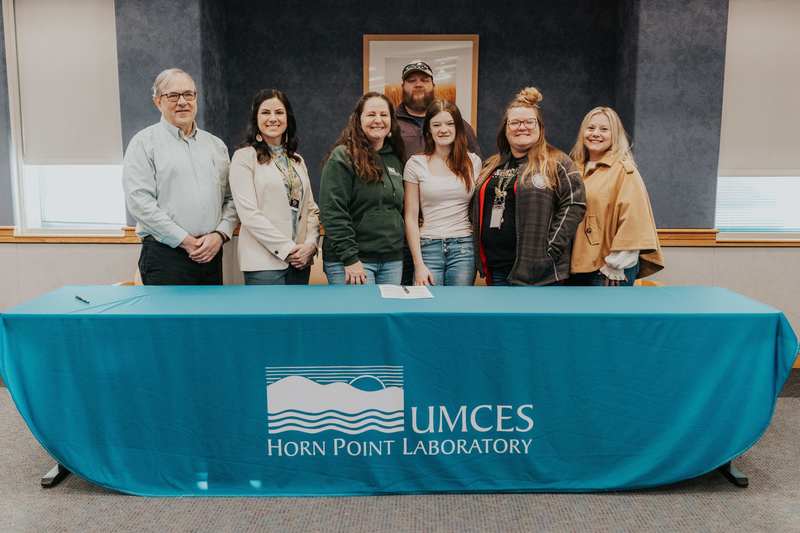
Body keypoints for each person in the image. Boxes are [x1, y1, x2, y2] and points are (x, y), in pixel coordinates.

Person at [123, 68, 237, 285]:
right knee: (169, 321)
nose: (182, 101)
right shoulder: (143, 144)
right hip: (165, 256)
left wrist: (220, 235)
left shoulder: (215, 145)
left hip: (211, 254)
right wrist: (184, 241)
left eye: (188, 94)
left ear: (196, 98)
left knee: (208, 319)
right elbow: (140, 203)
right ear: (158, 101)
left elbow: (231, 199)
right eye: (173, 96)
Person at [472, 87, 586, 286]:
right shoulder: (492, 164)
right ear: (505, 129)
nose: (521, 127)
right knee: (501, 319)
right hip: (497, 268)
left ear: (540, 128)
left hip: (539, 272)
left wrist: (550, 249)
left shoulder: (557, 161)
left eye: (528, 122)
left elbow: (575, 204)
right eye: (514, 122)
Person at [396, 60, 482, 286]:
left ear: (458, 128)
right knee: (425, 310)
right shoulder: (415, 163)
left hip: (463, 247)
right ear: (429, 131)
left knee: (458, 312)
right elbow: (411, 216)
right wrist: (418, 264)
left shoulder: (473, 162)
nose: (443, 130)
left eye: (449, 124)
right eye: (436, 125)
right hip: (427, 246)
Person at [228, 89, 320, 285]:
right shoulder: (244, 158)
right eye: (265, 112)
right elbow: (249, 214)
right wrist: (287, 249)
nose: (273, 118)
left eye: (279, 112)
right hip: (264, 263)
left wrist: (310, 245)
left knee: (298, 316)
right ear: (256, 119)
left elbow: (311, 209)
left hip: (300, 261)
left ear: (288, 118)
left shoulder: (297, 160)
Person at [568, 107, 664, 285]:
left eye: (604, 129)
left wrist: (616, 264)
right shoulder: (573, 169)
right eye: (591, 128)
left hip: (608, 269)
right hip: (577, 266)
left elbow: (634, 221)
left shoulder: (624, 171)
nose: (595, 133)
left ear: (615, 135)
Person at [319, 92, 406, 285]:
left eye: (384, 115)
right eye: (371, 114)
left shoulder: (395, 158)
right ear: (358, 120)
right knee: (360, 315)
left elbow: (399, 209)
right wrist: (350, 259)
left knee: (386, 315)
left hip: (391, 259)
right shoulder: (343, 157)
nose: (378, 120)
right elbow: (332, 212)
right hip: (352, 260)